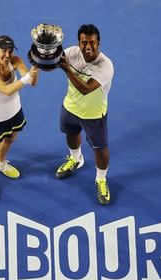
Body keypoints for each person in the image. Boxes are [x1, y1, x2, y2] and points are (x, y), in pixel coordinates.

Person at [56, 24, 114, 205]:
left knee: (100, 148)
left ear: (99, 42)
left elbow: (86, 89)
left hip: (93, 114)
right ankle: (76, 159)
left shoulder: (105, 65)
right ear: (78, 43)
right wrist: (44, 54)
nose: (88, 47)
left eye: (92, 43)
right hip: (71, 106)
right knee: (71, 133)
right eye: (84, 43)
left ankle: (101, 179)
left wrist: (66, 69)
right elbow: (52, 63)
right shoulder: (71, 52)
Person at [0, 35, 39, 201]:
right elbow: (6, 90)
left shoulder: (16, 60)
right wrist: (26, 77)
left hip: (14, 112)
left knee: (9, 140)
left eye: (10, 50)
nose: (7, 54)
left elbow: (32, 82)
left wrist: (36, 67)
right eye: (3, 50)